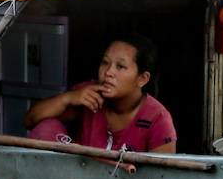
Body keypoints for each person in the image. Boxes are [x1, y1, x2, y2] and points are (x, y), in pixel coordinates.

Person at [23, 36, 177, 154]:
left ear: (142, 79)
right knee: (48, 127)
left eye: (121, 66)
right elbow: (31, 121)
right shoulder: (89, 94)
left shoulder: (158, 120)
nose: (108, 72)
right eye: (105, 63)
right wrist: (68, 98)